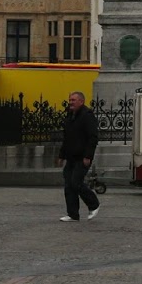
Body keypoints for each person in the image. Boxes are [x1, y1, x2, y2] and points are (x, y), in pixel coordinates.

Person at [58, 91, 101, 221]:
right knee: (68, 185)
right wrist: (61, 156)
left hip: (82, 157)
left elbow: (93, 138)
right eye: (70, 100)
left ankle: (94, 204)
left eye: (73, 100)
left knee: (76, 182)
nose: (70, 102)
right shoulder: (70, 115)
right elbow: (67, 138)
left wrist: (88, 156)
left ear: (81, 101)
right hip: (71, 156)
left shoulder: (87, 116)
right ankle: (72, 214)